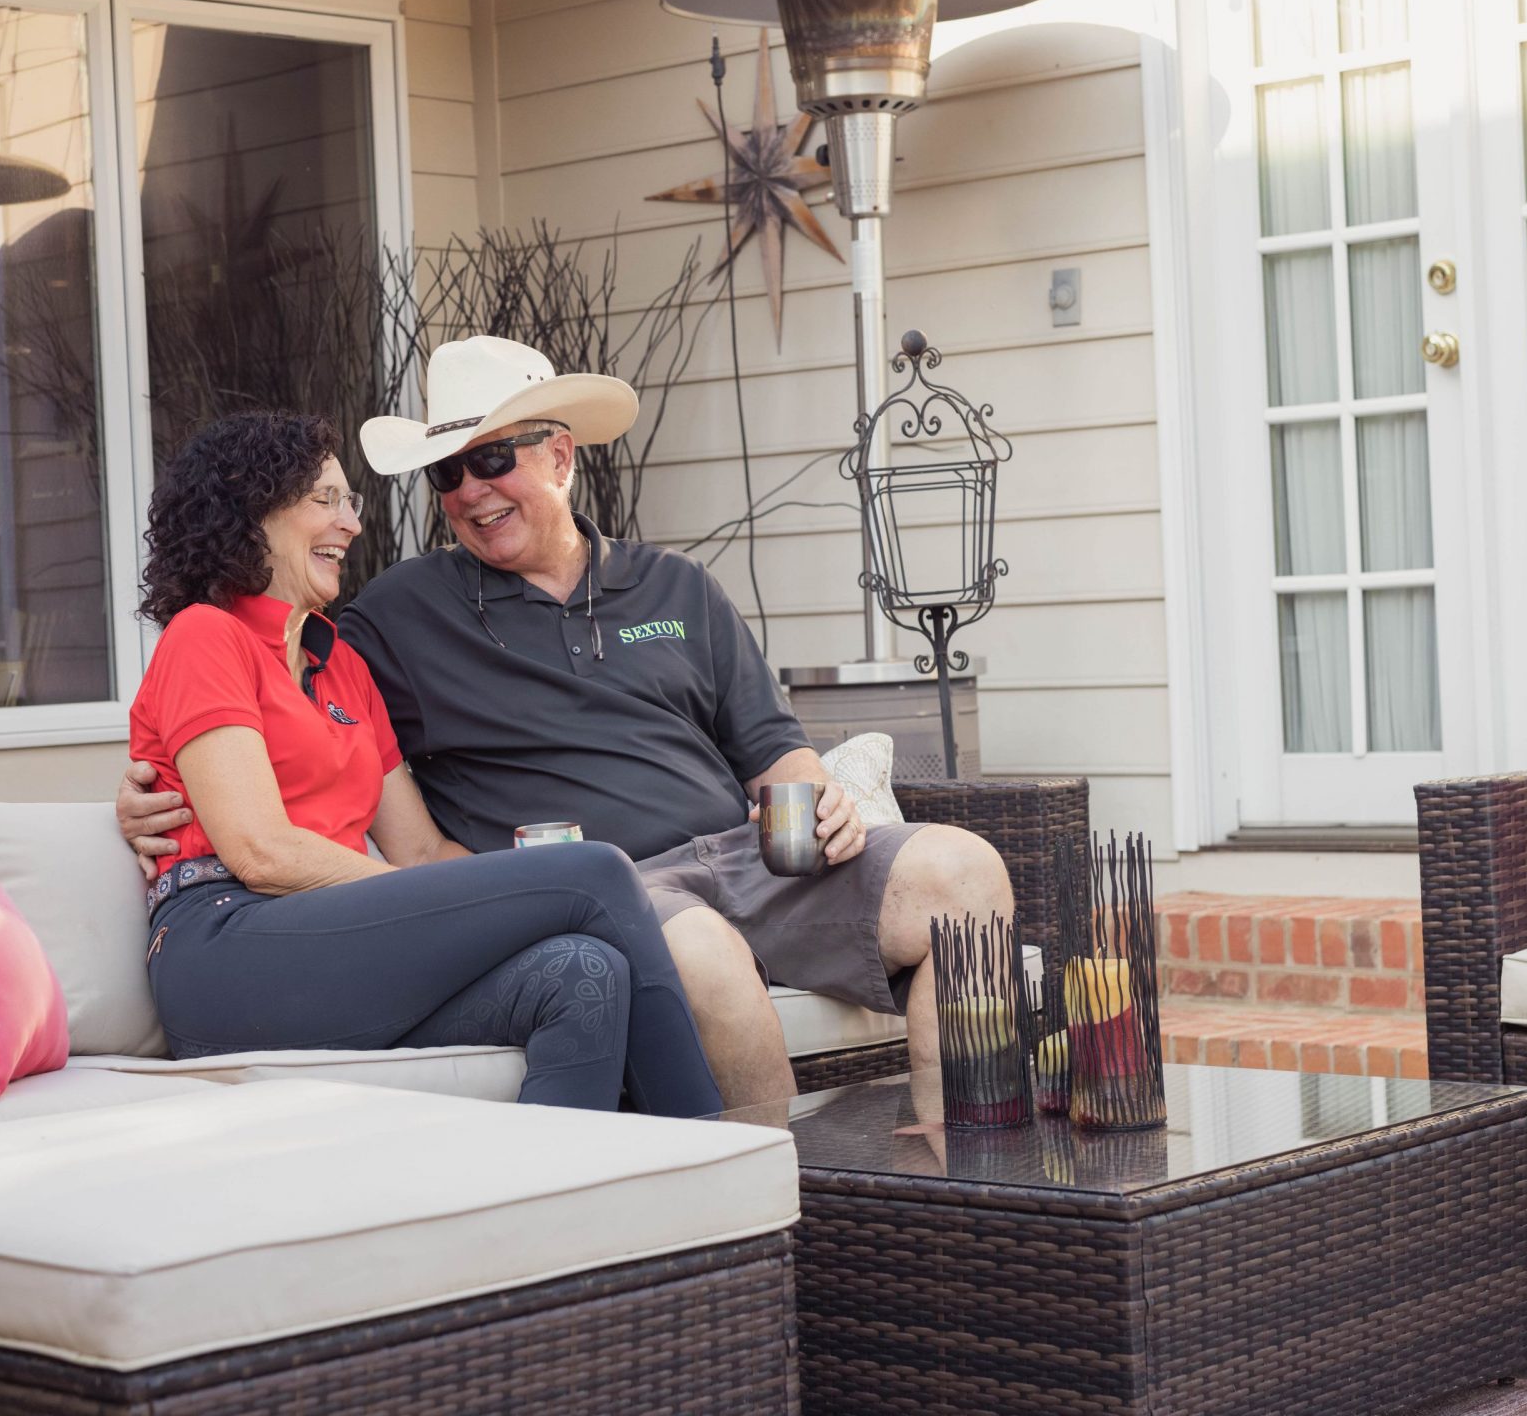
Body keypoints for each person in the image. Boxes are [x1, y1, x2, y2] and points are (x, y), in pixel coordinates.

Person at [121, 340, 1014, 1108]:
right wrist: (144, 790)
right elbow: (238, 738)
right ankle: (769, 1194)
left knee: (964, 871)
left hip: (745, 860)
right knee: (664, 930)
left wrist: (820, 800)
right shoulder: (392, 618)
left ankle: (971, 1174)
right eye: (447, 472)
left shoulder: (674, 588)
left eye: (491, 459)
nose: (468, 491)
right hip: (609, 886)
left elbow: (771, 747)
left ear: (559, 456)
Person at [126, 408, 721, 1117]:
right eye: (325, 499)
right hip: (227, 949)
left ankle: (562, 1188)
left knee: (583, 973)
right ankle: (715, 1150)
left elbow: (423, 851)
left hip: (337, 946)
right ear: (253, 513)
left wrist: (462, 895)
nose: (351, 523)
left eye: (350, 501)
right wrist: (445, 900)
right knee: (593, 871)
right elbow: (261, 851)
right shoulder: (205, 636)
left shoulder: (341, 666)